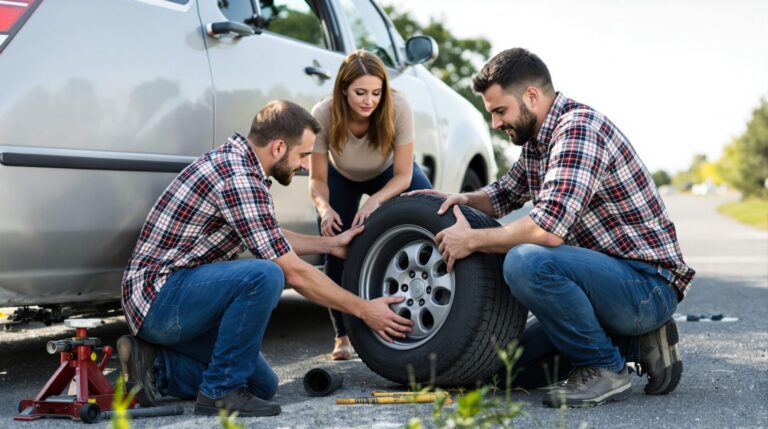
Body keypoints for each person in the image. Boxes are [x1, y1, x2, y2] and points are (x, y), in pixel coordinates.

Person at [406, 48, 695, 408]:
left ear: (531, 96)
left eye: (499, 111)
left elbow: (548, 231)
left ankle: (604, 368)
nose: (495, 123)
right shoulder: (538, 140)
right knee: (498, 371)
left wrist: (472, 240)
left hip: (645, 284)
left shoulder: (577, 130)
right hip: (603, 286)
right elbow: (503, 194)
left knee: (526, 261)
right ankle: (637, 343)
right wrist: (458, 199)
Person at [118, 100, 413, 417]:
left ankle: (153, 365)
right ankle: (220, 392)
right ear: (278, 147)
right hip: (157, 299)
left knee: (261, 385)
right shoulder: (238, 178)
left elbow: (267, 233)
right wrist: (364, 310)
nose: (302, 166)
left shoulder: (240, 167)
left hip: (179, 302)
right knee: (266, 275)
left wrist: (330, 245)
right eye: (302, 155)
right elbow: (294, 274)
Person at [309, 50, 432, 360]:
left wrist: (376, 201)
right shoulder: (323, 114)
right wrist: (324, 209)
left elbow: (404, 176)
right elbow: (317, 180)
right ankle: (342, 334)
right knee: (336, 241)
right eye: (360, 92)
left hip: (390, 173)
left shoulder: (399, 106)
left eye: (376, 93)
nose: (369, 100)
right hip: (341, 176)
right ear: (343, 90)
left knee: (430, 209)